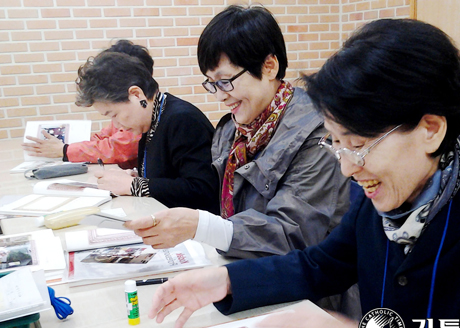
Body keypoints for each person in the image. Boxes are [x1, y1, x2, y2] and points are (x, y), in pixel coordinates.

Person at [145, 19, 460, 328]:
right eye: (335, 143)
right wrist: (226, 281)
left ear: (431, 129)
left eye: (358, 145)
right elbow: (321, 265)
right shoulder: (376, 197)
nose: (346, 167)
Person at [125, 5, 349, 259]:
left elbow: (292, 234)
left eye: (225, 81)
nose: (220, 96)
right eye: (212, 84)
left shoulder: (319, 133)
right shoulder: (232, 130)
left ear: (269, 67)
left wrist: (202, 226)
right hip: (244, 268)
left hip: (309, 291)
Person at [75, 41, 218, 212]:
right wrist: (137, 178)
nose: (116, 125)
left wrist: (134, 185)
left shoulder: (182, 120)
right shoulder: (151, 119)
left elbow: (202, 190)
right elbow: (170, 177)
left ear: (136, 94)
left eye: (114, 114)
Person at [21, 40, 145, 169]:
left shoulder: (141, 120)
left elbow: (116, 148)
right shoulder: (126, 114)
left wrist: (65, 150)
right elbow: (102, 137)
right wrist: (67, 146)